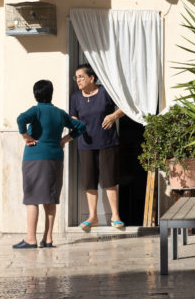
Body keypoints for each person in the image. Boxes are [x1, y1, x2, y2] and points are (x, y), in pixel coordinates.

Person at [13, 79, 86, 249]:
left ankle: (31, 238)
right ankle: (48, 238)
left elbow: (20, 119)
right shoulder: (60, 113)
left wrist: (26, 137)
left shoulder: (36, 110)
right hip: (55, 158)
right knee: (50, 198)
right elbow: (81, 127)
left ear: (35, 94)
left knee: (32, 198)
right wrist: (65, 139)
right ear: (51, 94)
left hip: (34, 157)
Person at [70, 63, 125, 232]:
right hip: (85, 144)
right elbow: (73, 115)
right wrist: (75, 122)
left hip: (107, 142)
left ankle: (115, 216)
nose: (78, 80)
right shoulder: (76, 97)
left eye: (81, 77)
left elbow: (125, 106)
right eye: (76, 77)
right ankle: (92, 217)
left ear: (91, 78)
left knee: (110, 180)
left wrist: (114, 115)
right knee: (90, 181)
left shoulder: (105, 92)